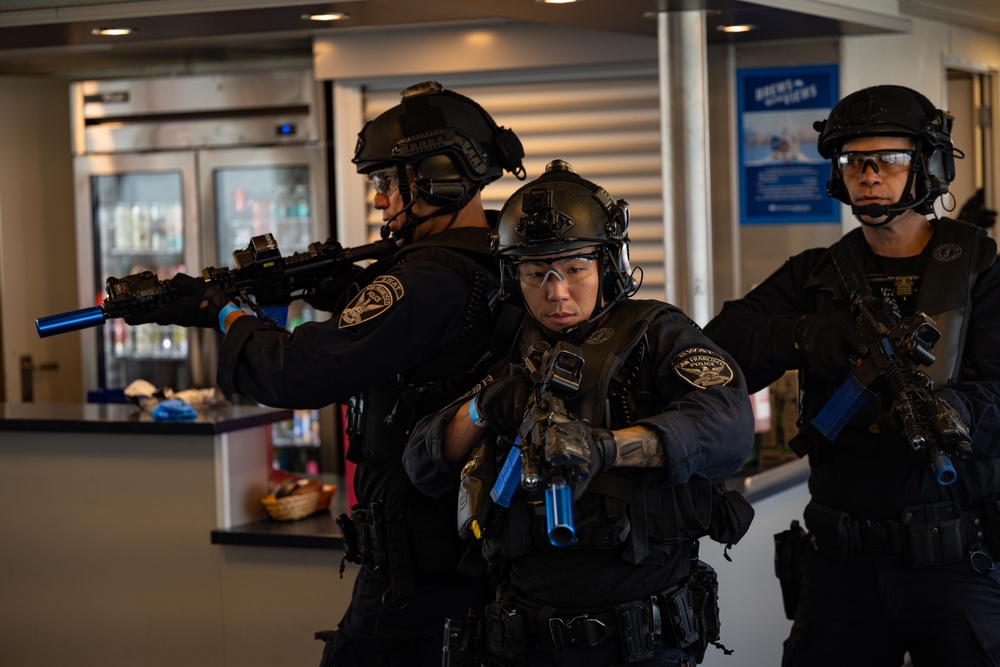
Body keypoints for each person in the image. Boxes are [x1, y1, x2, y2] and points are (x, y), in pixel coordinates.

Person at [125, 80, 527, 666]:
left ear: (440, 175)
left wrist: (224, 313)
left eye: (388, 181)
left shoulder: (427, 278)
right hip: (469, 558)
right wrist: (335, 290)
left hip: (422, 577)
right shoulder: (496, 255)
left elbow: (300, 371)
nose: (379, 199)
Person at [403, 160, 755, 666]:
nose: (556, 292)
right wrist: (484, 407)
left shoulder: (658, 336)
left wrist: (606, 448)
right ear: (512, 276)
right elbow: (421, 462)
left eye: (574, 268)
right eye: (534, 273)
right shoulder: (506, 352)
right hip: (524, 639)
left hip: (639, 640)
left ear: (608, 265)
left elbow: (727, 427)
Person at [703, 84, 1000, 666]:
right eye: (852, 161)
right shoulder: (817, 275)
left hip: (953, 560)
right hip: (841, 567)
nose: (869, 174)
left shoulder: (979, 272)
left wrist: (958, 413)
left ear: (929, 166)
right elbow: (716, 353)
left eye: (888, 159)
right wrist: (803, 335)